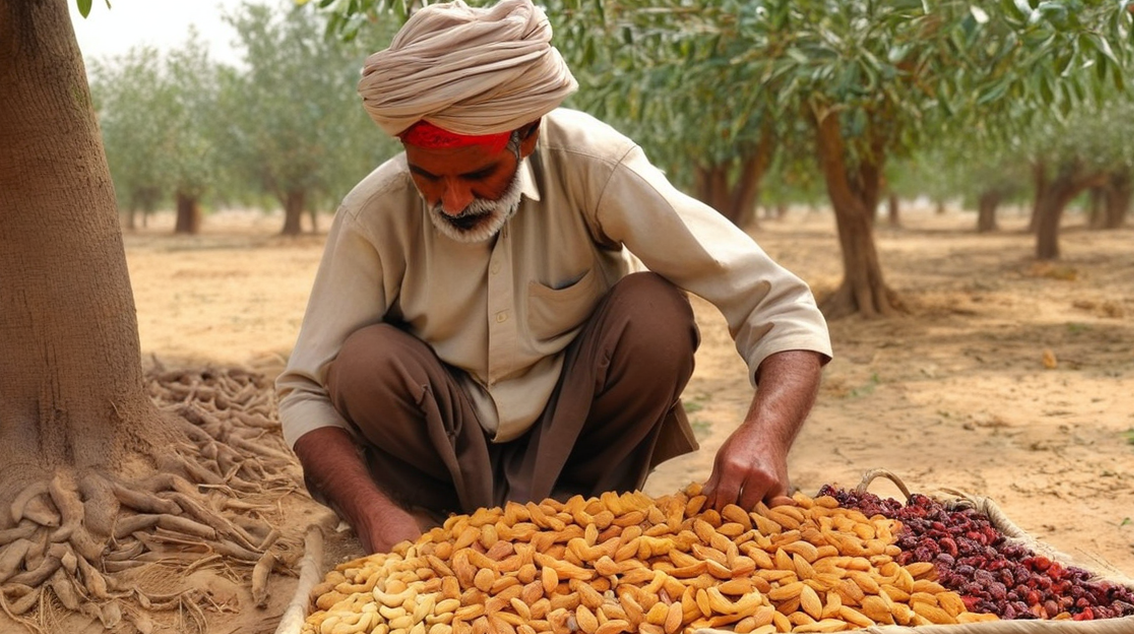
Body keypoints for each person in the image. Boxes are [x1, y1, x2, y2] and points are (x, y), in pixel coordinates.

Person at [276, 0, 833, 554]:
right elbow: (305, 391)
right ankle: (431, 519)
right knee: (363, 359)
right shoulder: (373, 211)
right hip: (437, 462)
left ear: (528, 134)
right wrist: (371, 512)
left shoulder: (596, 166)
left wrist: (766, 432)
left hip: (580, 451)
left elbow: (775, 302)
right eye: (428, 178)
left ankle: (587, 510)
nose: (454, 201)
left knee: (654, 311)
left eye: (478, 174)